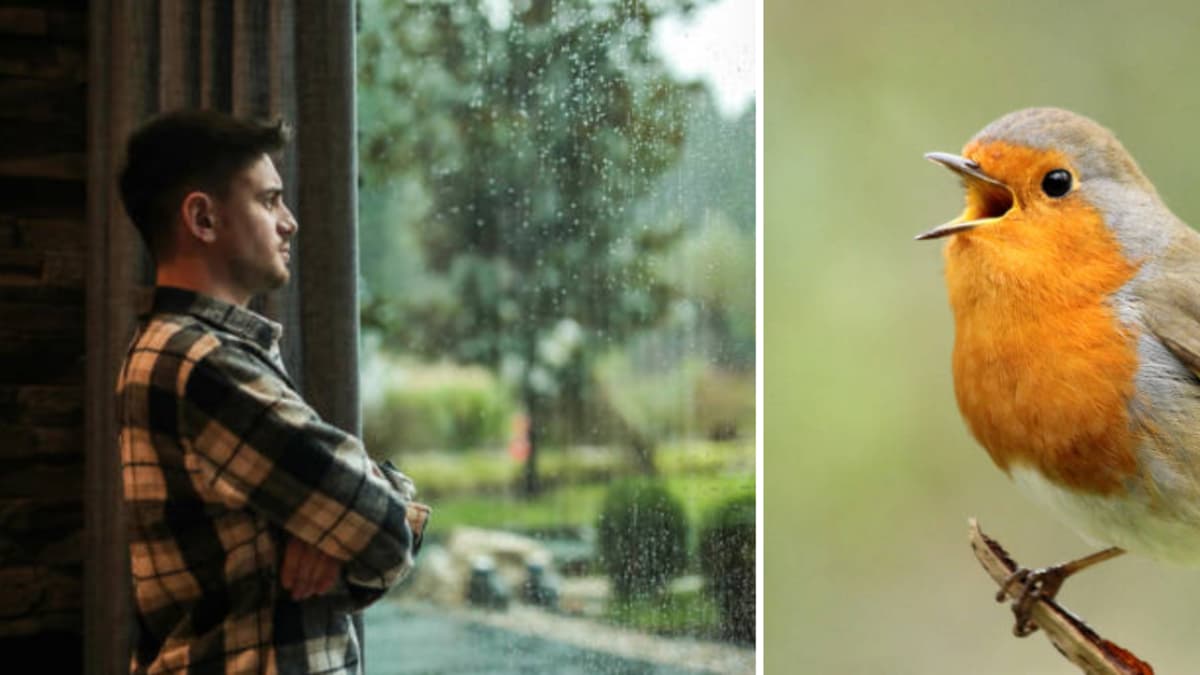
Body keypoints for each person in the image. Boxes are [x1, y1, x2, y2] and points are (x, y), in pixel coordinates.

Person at [116, 109, 428, 674]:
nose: (290, 223)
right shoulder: (203, 364)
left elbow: (360, 517)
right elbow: (383, 530)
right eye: (269, 201)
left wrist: (333, 530)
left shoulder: (181, 349)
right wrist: (354, 523)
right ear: (203, 218)